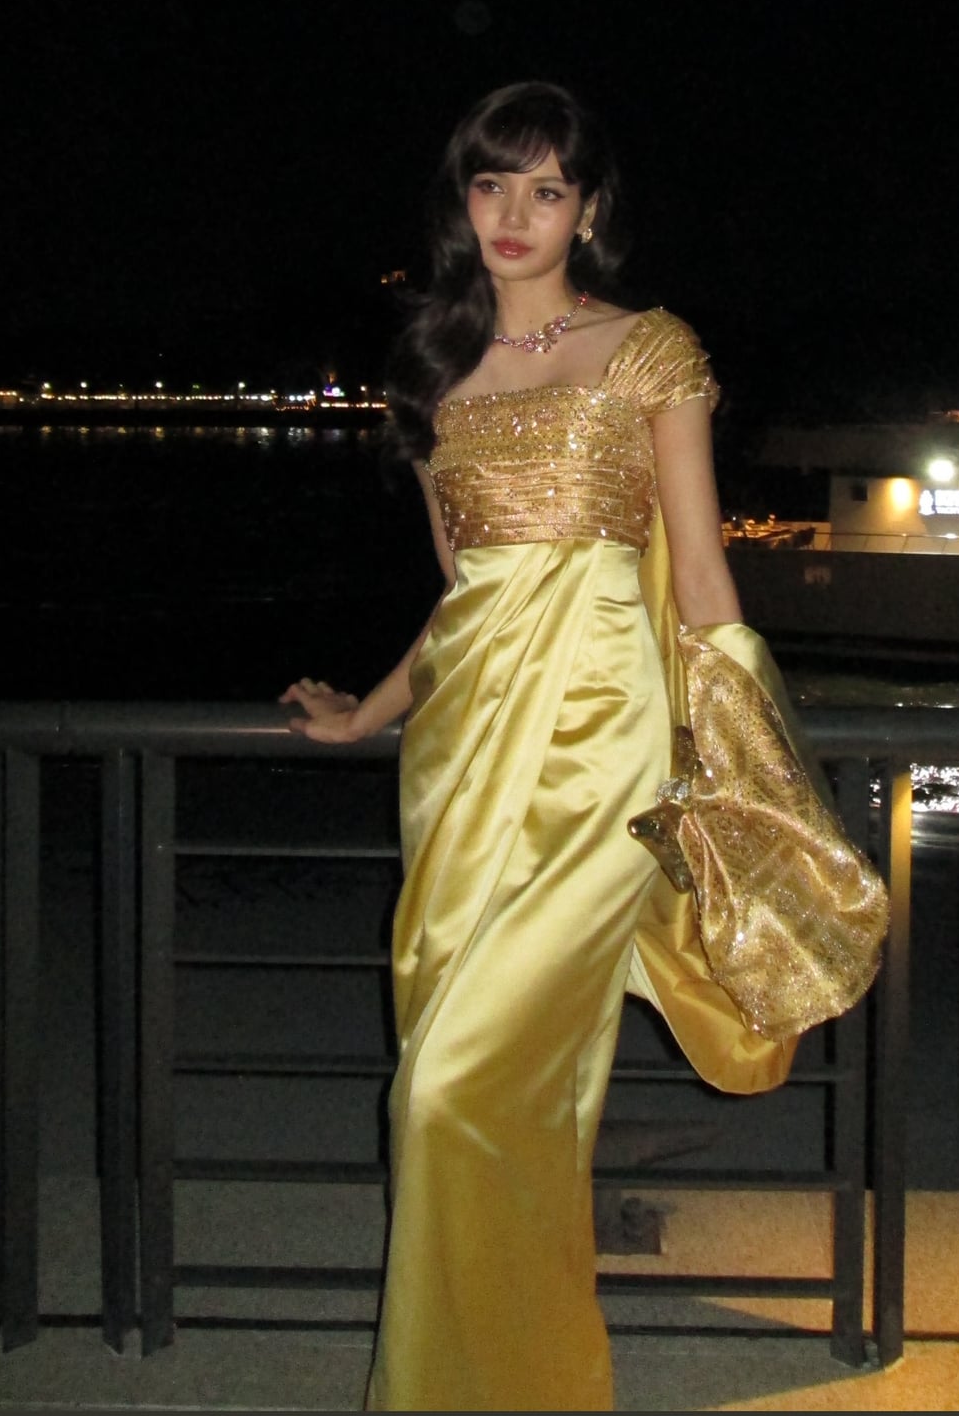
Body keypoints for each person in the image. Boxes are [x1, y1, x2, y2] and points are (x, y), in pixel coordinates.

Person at [282, 81, 885, 1412]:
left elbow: (704, 580)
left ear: (590, 212)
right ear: (463, 203)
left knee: (449, 1089)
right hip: (460, 758)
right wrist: (370, 711)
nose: (516, 213)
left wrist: (748, 764)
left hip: (603, 756)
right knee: (473, 1091)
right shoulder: (434, 374)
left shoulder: (648, 352)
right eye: (492, 184)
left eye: (547, 189)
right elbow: (464, 593)